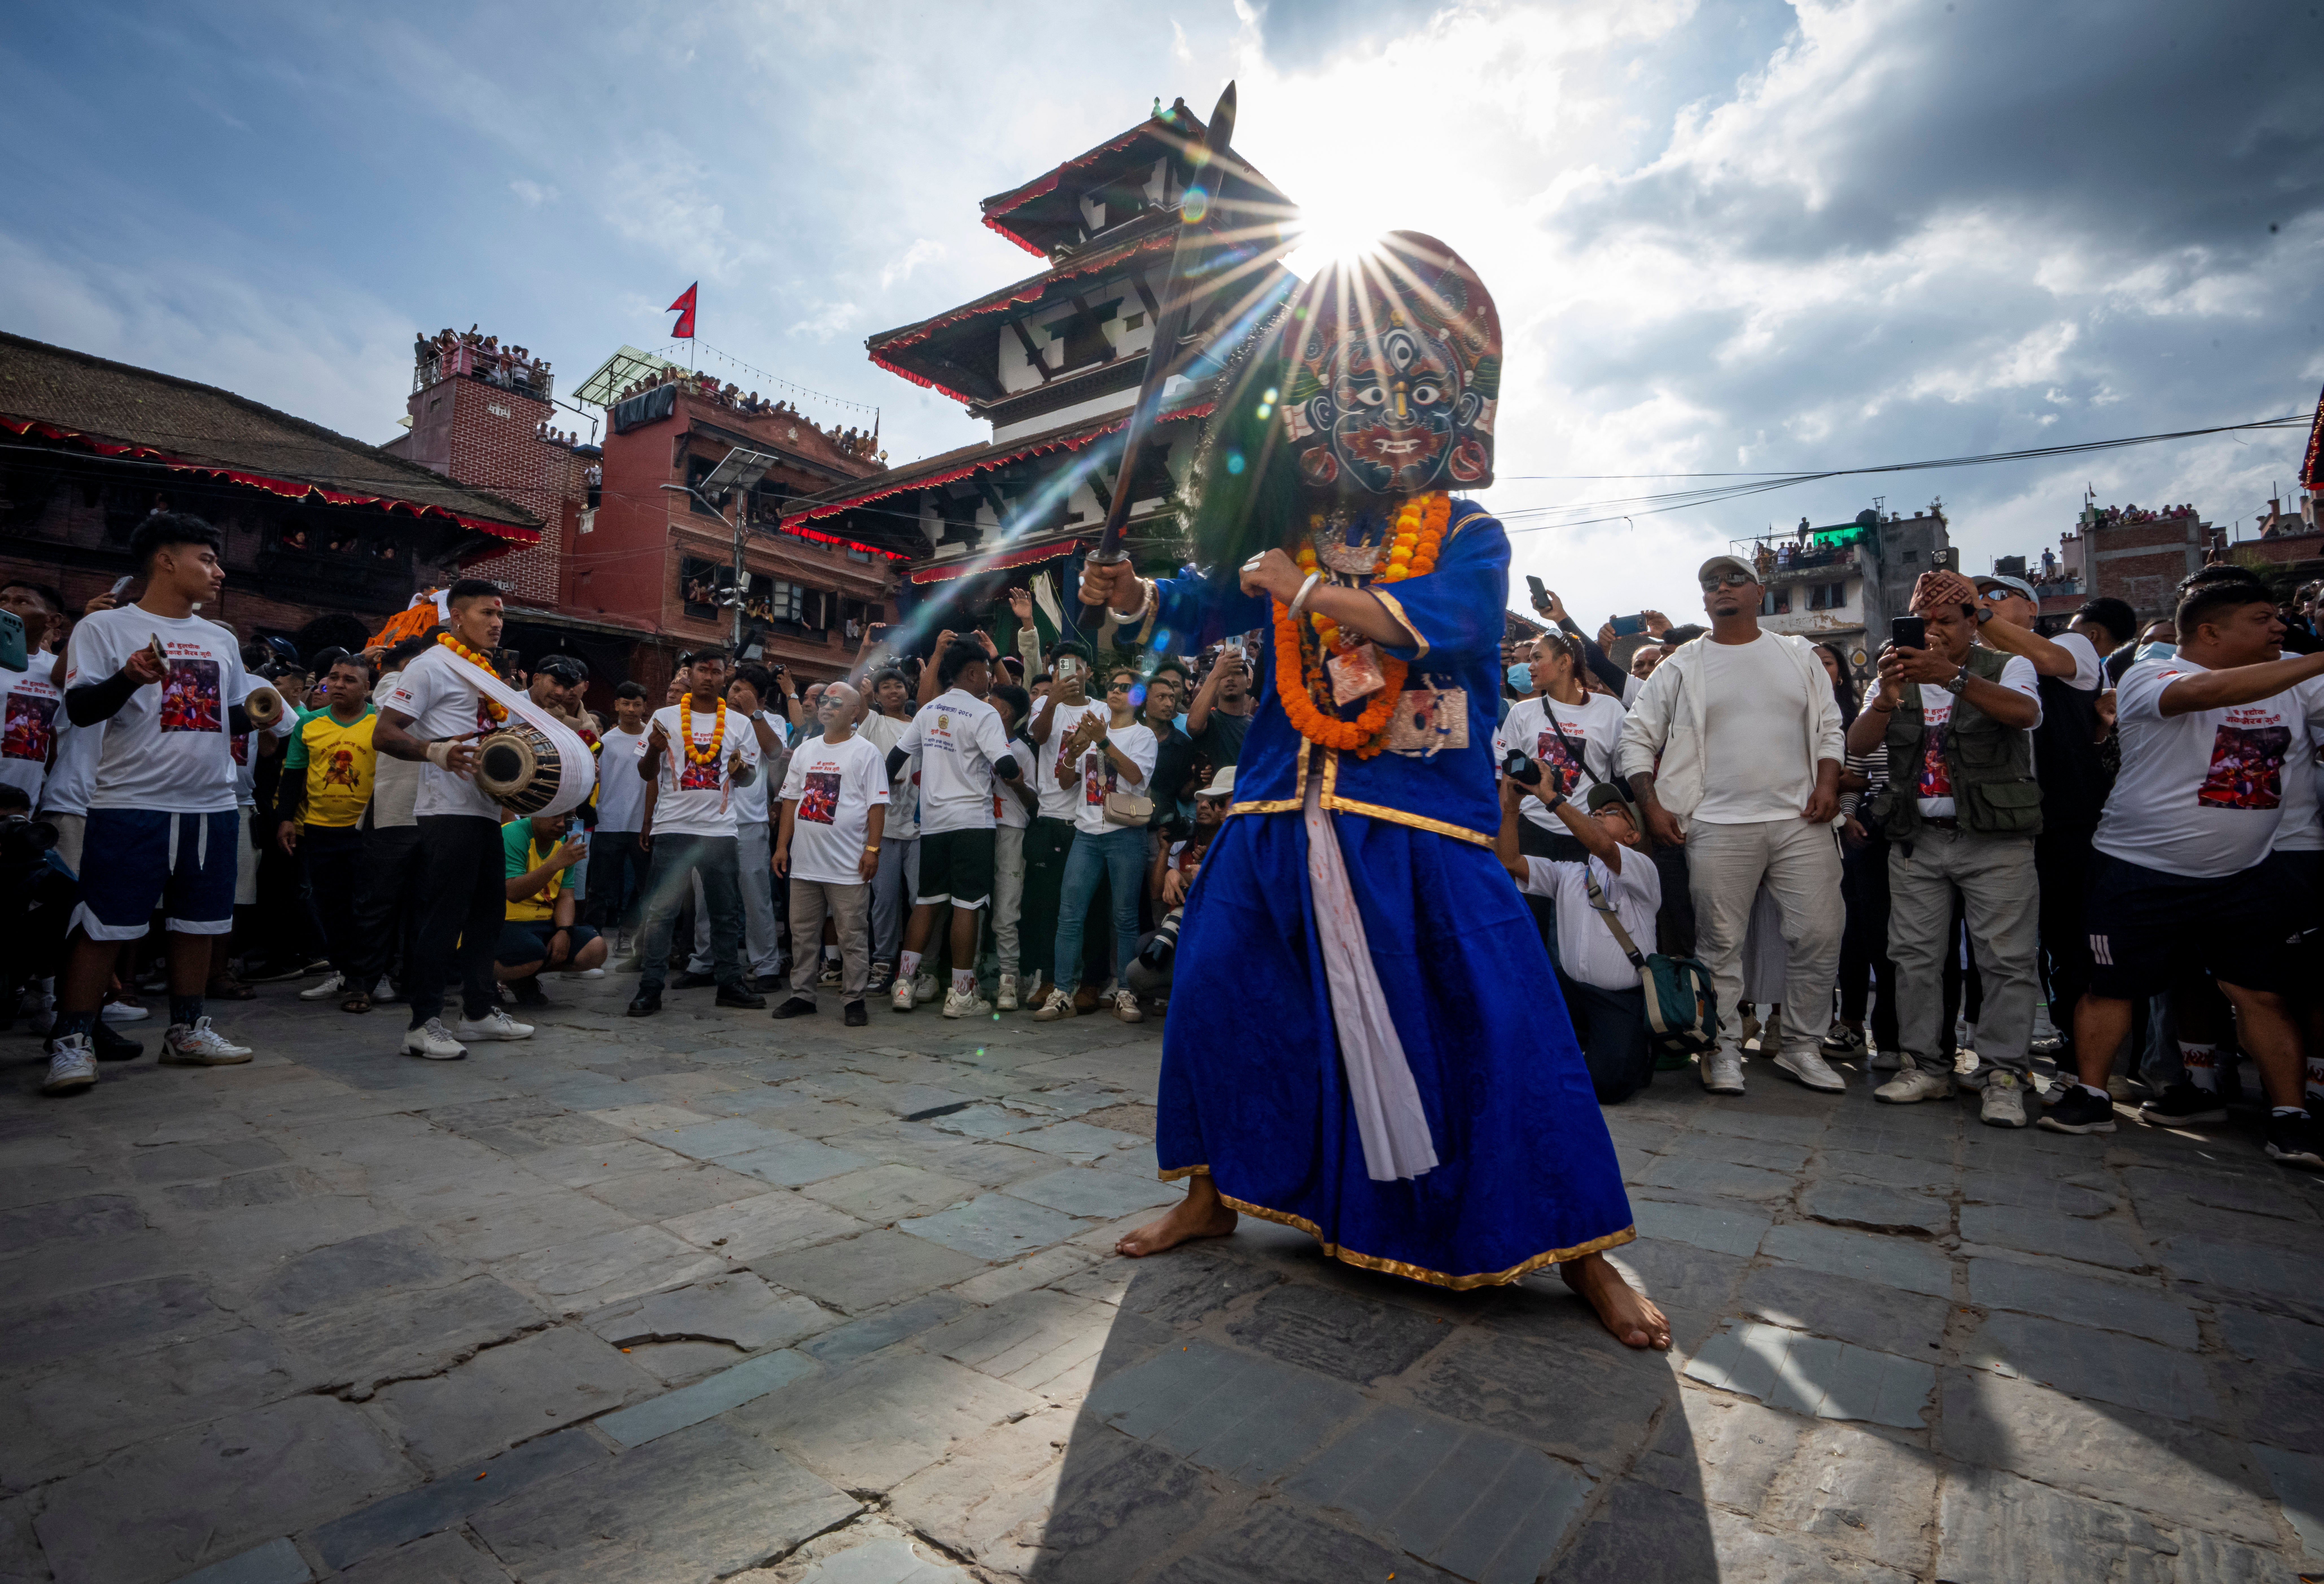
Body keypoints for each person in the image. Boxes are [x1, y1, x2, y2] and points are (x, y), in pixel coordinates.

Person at [1085, 232, 1661, 1347]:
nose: (1392, 412)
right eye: (1362, 389)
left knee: (1501, 1023)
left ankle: (1582, 1251)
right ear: (1316, 416)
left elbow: (1438, 625)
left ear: (1462, 412)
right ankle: (1211, 1198)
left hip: (1418, 825)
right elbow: (1208, 602)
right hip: (1268, 814)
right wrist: (1133, 592)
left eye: (1417, 389)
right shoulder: (1288, 534)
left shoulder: (1468, 532)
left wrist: (1301, 591)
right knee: (1218, 1001)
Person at [2039, 568, 2324, 1164]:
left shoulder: (2298, 681)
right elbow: (2204, 696)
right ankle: (2091, 1096)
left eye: (2278, 618)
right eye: (2261, 619)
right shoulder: (2153, 674)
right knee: (2109, 986)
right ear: (2211, 632)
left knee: (2261, 994)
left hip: (2245, 875)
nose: (2279, 627)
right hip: (2138, 870)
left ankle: (2290, 1114)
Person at [1618, 555, 1848, 1097]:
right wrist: (1651, 806)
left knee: (1819, 933)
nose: (1720, 587)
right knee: (1718, 944)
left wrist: (1827, 783)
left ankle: (1800, 1047)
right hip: (1716, 824)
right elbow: (1636, 737)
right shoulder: (1681, 665)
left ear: (1758, 591)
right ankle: (1721, 1049)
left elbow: (1830, 726)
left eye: (1733, 579)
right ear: (1703, 600)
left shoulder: (1796, 655)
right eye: (1709, 583)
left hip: (1800, 818)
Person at [43, 513, 255, 1096]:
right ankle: (73, 1039)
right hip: (131, 799)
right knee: (105, 923)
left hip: (210, 802)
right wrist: (131, 678)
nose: (218, 571)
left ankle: (187, 1031)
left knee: (201, 923)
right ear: (166, 561)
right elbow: (83, 709)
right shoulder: (108, 628)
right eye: (206, 559)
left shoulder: (222, 638)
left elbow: (231, 714)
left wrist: (261, 711)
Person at [1847, 578, 2046, 1125]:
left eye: (1945, 622)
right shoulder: (1895, 675)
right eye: (1922, 622)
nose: (1932, 633)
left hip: (1995, 840)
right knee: (1913, 957)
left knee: (2005, 960)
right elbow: (1858, 747)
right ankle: (1926, 1068)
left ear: (1971, 621)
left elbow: (2026, 715)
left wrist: (1953, 679)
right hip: (1919, 840)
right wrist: (1885, 702)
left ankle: (2003, 1074)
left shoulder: (2006, 665)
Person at [374, 580, 537, 1060]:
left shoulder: (486, 674)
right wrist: (435, 750)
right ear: (456, 618)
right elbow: (383, 734)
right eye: (487, 613)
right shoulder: (430, 666)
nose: (497, 622)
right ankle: (422, 1025)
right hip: (446, 812)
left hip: (485, 810)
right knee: (443, 919)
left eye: (500, 614)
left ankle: (478, 1013)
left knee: (488, 915)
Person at [1495, 771, 1661, 1104]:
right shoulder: (1568, 873)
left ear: (1632, 835)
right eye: (1594, 813)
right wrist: (1511, 807)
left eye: (1611, 812)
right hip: (1572, 991)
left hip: (1619, 999)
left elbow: (1601, 845)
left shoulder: (1642, 869)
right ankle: (1582, 1044)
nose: (1598, 814)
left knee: (1608, 1087)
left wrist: (1550, 797)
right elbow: (1509, 860)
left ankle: (1630, 1052)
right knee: (1521, 1007)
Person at [884, 633, 1023, 1018]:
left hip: (932, 822)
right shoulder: (984, 713)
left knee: (927, 902)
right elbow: (1006, 765)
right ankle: (961, 994)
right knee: (967, 904)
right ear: (974, 672)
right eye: (987, 677)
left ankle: (903, 984)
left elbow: (893, 760)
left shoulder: (928, 711)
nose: (991, 684)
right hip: (972, 822)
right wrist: (1017, 776)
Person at [627, 648, 766, 1015]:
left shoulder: (738, 724)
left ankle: (729, 984)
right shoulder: (664, 717)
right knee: (662, 912)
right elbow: (645, 773)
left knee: (724, 912)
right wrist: (653, 752)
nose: (708, 676)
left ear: (725, 675)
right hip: (673, 827)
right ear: (689, 674)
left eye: (715, 671)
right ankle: (650, 988)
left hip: (720, 831)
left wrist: (740, 771)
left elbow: (750, 779)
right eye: (702, 670)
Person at [1030, 662, 1157, 1024]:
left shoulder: (1142, 735)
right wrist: (1072, 752)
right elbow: (1068, 781)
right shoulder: (1091, 727)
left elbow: (1135, 777)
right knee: (1069, 916)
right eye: (1112, 686)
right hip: (1086, 833)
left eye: (1123, 687)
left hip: (1125, 835)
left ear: (1136, 697)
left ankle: (1125, 990)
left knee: (1125, 919)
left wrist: (1103, 741)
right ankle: (1061, 992)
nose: (1114, 691)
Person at [772, 680, 886, 1025]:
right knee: (803, 935)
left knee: (852, 936)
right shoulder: (806, 750)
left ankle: (854, 1001)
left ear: (854, 713)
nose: (826, 707)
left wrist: (873, 850)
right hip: (805, 863)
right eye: (824, 701)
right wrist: (781, 846)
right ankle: (802, 996)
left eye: (836, 703)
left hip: (848, 865)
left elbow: (877, 806)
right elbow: (791, 800)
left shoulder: (866, 752)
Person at [273, 653, 377, 1011]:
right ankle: (344, 972)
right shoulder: (310, 725)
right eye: (334, 678)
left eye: (350, 680)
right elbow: (294, 775)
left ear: (368, 688)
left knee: (365, 907)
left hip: (367, 832)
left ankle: (361, 982)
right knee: (330, 908)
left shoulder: (381, 724)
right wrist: (286, 819)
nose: (338, 685)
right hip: (319, 829)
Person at [675, 663, 785, 990]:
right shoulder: (711, 717)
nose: (736, 696)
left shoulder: (770, 721)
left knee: (755, 898)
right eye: (735, 689)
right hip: (708, 822)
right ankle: (704, 962)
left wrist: (755, 714)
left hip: (750, 823)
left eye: (745, 692)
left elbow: (776, 752)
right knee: (705, 899)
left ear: (762, 698)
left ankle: (765, 967)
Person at [1022, 640, 1105, 1012]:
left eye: (1076, 666)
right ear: (1054, 672)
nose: (1070, 674)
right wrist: (1053, 700)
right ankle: (1051, 979)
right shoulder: (1043, 704)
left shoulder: (1102, 710)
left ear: (1089, 671)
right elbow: (1038, 737)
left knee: (1093, 907)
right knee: (1047, 905)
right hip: (1052, 817)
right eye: (1062, 667)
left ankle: (1090, 982)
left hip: (1091, 820)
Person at [856, 665, 919, 996]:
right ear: (877, 697)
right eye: (886, 688)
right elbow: (854, 691)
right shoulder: (874, 722)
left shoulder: (922, 723)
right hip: (884, 826)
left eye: (899, 686)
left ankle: (916, 964)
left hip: (920, 824)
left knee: (919, 898)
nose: (894, 692)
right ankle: (883, 961)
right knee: (884, 900)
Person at [498, 811, 605, 997]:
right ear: (536, 813)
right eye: (555, 816)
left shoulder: (565, 843)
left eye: (568, 817)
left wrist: (564, 931)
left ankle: (521, 977)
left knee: (596, 949)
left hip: (542, 921)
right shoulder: (513, 833)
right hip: (506, 922)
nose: (562, 824)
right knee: (533, 953)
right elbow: (514, 892)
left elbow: (566, 896)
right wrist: (556, 863)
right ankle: (486, 980)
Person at [590, 681, 652, 954]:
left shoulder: (653, 741)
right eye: (625, 704)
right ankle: (590, 940)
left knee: (644, 887)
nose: (631, 710)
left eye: (637, 704)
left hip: (642, 825)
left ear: (645, 707)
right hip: (609, 823)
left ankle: (629, 935)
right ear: (615, 705)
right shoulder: (604, 743)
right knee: (599, 889)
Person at [988, 682, 1039, 1009]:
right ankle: (974, 973)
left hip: (1011, 830)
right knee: (975, 905)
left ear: (1005, 712)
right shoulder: (980, 740)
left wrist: (1018, 784)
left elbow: (1034, 801)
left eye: (990, 702)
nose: (983, 706)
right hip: (979, 828)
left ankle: (1009, 979)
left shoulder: (1020, 750)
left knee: (1006, 909)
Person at [1186, 637, 1256, 768]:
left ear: (1249, 683)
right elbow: (1193, 726)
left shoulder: (1256, 726)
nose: (1230, 678)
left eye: (1237, 673)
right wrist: (1217, 673)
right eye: (1225, 674)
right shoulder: (1209, 720)